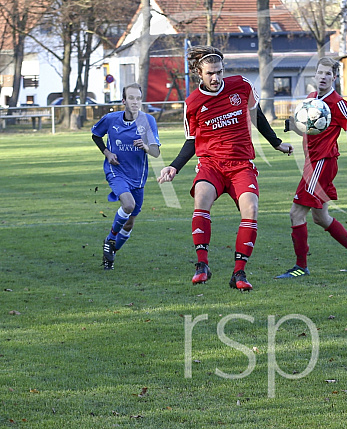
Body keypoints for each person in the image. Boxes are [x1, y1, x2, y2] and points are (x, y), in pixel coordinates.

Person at [158, 46, 293, 291]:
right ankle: (202, 265)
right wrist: (174, 166)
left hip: (241, 164)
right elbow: (191, 141)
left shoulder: (241, 85)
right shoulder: (192, 103)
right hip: (211, 164)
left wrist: (277, 143)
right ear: (199, 73)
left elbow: (257, 115)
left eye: (219, 72)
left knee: (250, 210)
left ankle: (239, 273)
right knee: (201, 199)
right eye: (210, 73)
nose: (216, 78)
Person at [275, 57, 347, 279]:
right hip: (313, 162)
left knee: (296, 213)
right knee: (320, 217)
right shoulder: (310, 99)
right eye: (320, 73)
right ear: (315, 75)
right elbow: (307, 130)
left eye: (328, 74)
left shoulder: (338, 103)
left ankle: (301, 267)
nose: (323, 77)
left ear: (334, 77)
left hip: (323, 163)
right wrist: (293, 125)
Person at [92, 83, 161, 270]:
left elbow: (155, 152)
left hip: (138, 177)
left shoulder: (148, 121)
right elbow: (96, 135)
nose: (135, 101)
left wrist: (145, 146)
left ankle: (110, 253)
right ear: (124, 100)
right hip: (116, 170)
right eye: (131, 98)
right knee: (128, 205)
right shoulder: (111, 119)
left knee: (129, 223)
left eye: (138, 98)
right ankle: (110, 238)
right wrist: (107, 153)